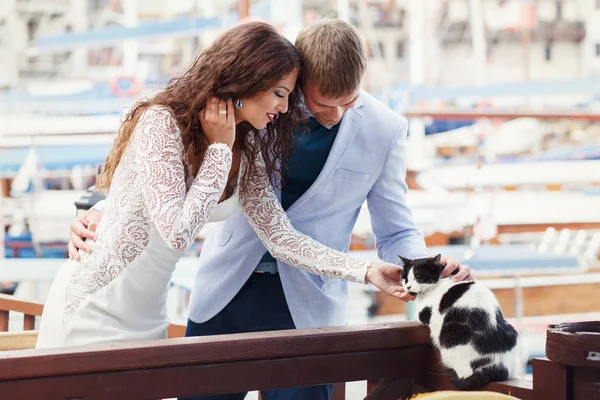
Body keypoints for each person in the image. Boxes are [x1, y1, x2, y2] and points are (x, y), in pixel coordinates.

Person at [70, 19, 473, 399]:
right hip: (222, 293)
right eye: (320, 103)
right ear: (299, 79)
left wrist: (427, 271)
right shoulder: (257, 117)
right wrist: (107, 210)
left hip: (308, 303)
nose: (333, 118)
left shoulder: (385, 130)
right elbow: (173, 173)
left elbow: (394, 229)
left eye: (347, 104)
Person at [38, 21, 408, 350]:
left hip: (148, 315)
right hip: (98, 305)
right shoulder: (160, 122)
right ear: (248, 82)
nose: (285, 108)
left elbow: (280, 236)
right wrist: (218, 151)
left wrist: (365, 270)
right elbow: (176, 233)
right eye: (280, 93)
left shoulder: (246, 147)